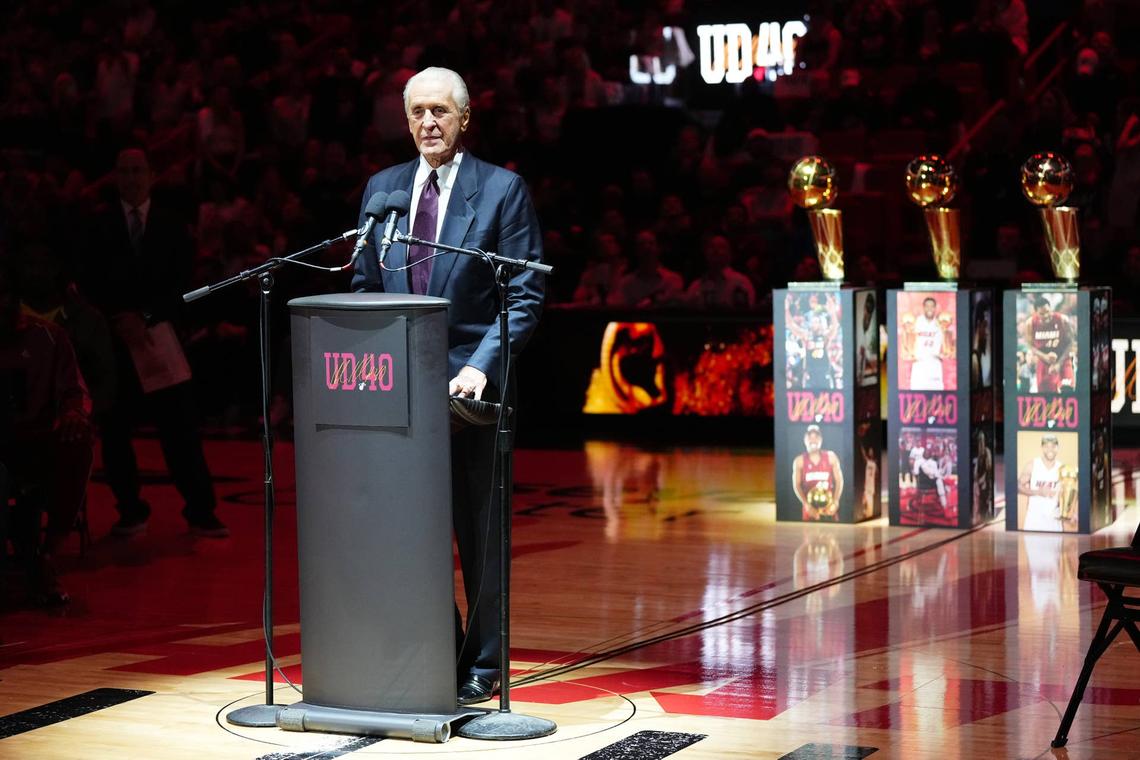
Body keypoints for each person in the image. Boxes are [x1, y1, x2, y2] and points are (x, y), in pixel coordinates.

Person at [350, 67, 544, 706]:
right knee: (413, 529)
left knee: (478, 530)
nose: (428, 123)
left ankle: (486, 661)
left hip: (471, 389)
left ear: (465, 119)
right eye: (417, 113)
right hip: (399, 389)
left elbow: (523, 296)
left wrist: (481, 364)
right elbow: (363, 288)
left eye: (440, 112)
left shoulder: (502, 191)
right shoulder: (383, 189)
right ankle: (439, 647)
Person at [80, 147, 228, 538]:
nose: (130, 178)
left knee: (179, 430)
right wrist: (118, 320)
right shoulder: (97, 227)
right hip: (114, 342)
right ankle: (130, 510)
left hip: (159, 336)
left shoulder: (171, 226)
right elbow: (89, 281)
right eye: (124, 171)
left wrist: (145, 317)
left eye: (137, 171)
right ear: (115, 177)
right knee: (115, 433)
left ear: (151, 176)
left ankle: (200, 510)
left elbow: (183, 284)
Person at [0, 266, 93, 605]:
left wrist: (73, 413)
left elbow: (74, 391)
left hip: (33, 440)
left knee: (78, 444)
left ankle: (48, 556)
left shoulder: (49, 337)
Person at [1024, 294, 1074, 393]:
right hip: (1044, 361)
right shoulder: (1030, 323)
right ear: (1036, 312)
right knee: (1045, 396)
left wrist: (1059, 363)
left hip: (1063, 359)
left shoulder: (1062, 320)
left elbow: (1071, 342)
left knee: (1067, 391)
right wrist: (1044, 356)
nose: (1046, 315)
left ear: (1051, 308)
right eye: (1042, 314)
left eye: (1048, 311)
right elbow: (1030, 345)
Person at [792, 425, 843, 521]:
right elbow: (796, 485)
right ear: (805, 440)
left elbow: (839, 481)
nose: (813, 440)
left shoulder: (831, 457)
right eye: (810, 437)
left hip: (829, 509)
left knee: (833, 535)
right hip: (810, 510)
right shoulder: (799, 461)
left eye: (816, 437)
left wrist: (836, 501)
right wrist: (806, 504)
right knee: (808, 535)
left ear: (821, 439)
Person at [1019, 433, 1067, 531]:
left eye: (1053, 446)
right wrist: (1038, 492)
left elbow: (1067, 494)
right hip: (1034, 520)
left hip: (1054, 521)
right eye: (1046, 446)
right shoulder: (1032, 465)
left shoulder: (1062, 468)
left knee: (1056, 546)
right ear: (1042, 447)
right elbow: (1017, 486)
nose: (1050, 450)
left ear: (1057, 448)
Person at [906, 297, 950, 390]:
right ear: (923, 307)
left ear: (935, 308)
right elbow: (908, 343)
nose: (929, 308)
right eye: (927, 306)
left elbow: (946, 347)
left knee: (936, 399)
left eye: (932, 306)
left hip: (934, 366)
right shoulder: (916, 323)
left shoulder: (940, 324)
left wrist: (944, 353)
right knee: (917, 399)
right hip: (919, 366)